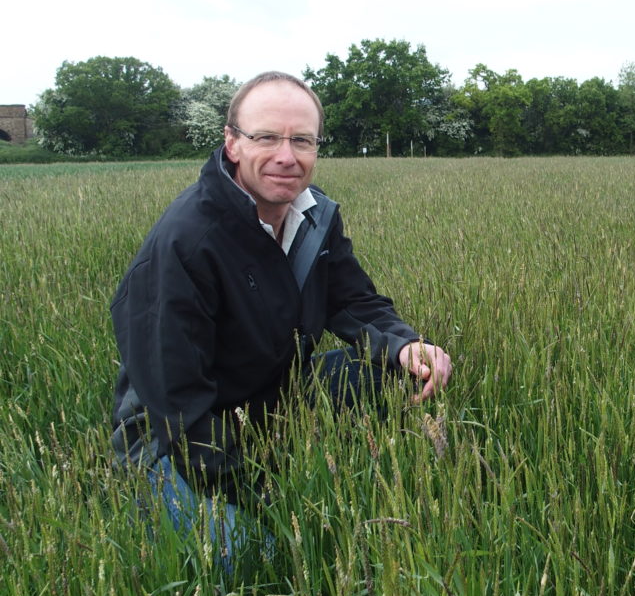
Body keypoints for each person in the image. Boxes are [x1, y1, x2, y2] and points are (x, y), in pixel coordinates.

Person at [110, 71, 451, 565]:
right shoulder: (186, 243)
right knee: (262, 558)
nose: (286, 155)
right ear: (232, 144)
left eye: (302, 140)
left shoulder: (315, 217)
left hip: (274, 391)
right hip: (175, 436)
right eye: (266, 137)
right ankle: (161, 496)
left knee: (395, 376)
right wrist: (275, 497)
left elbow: (353, 300)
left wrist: (403, 344)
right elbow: (179, 406)